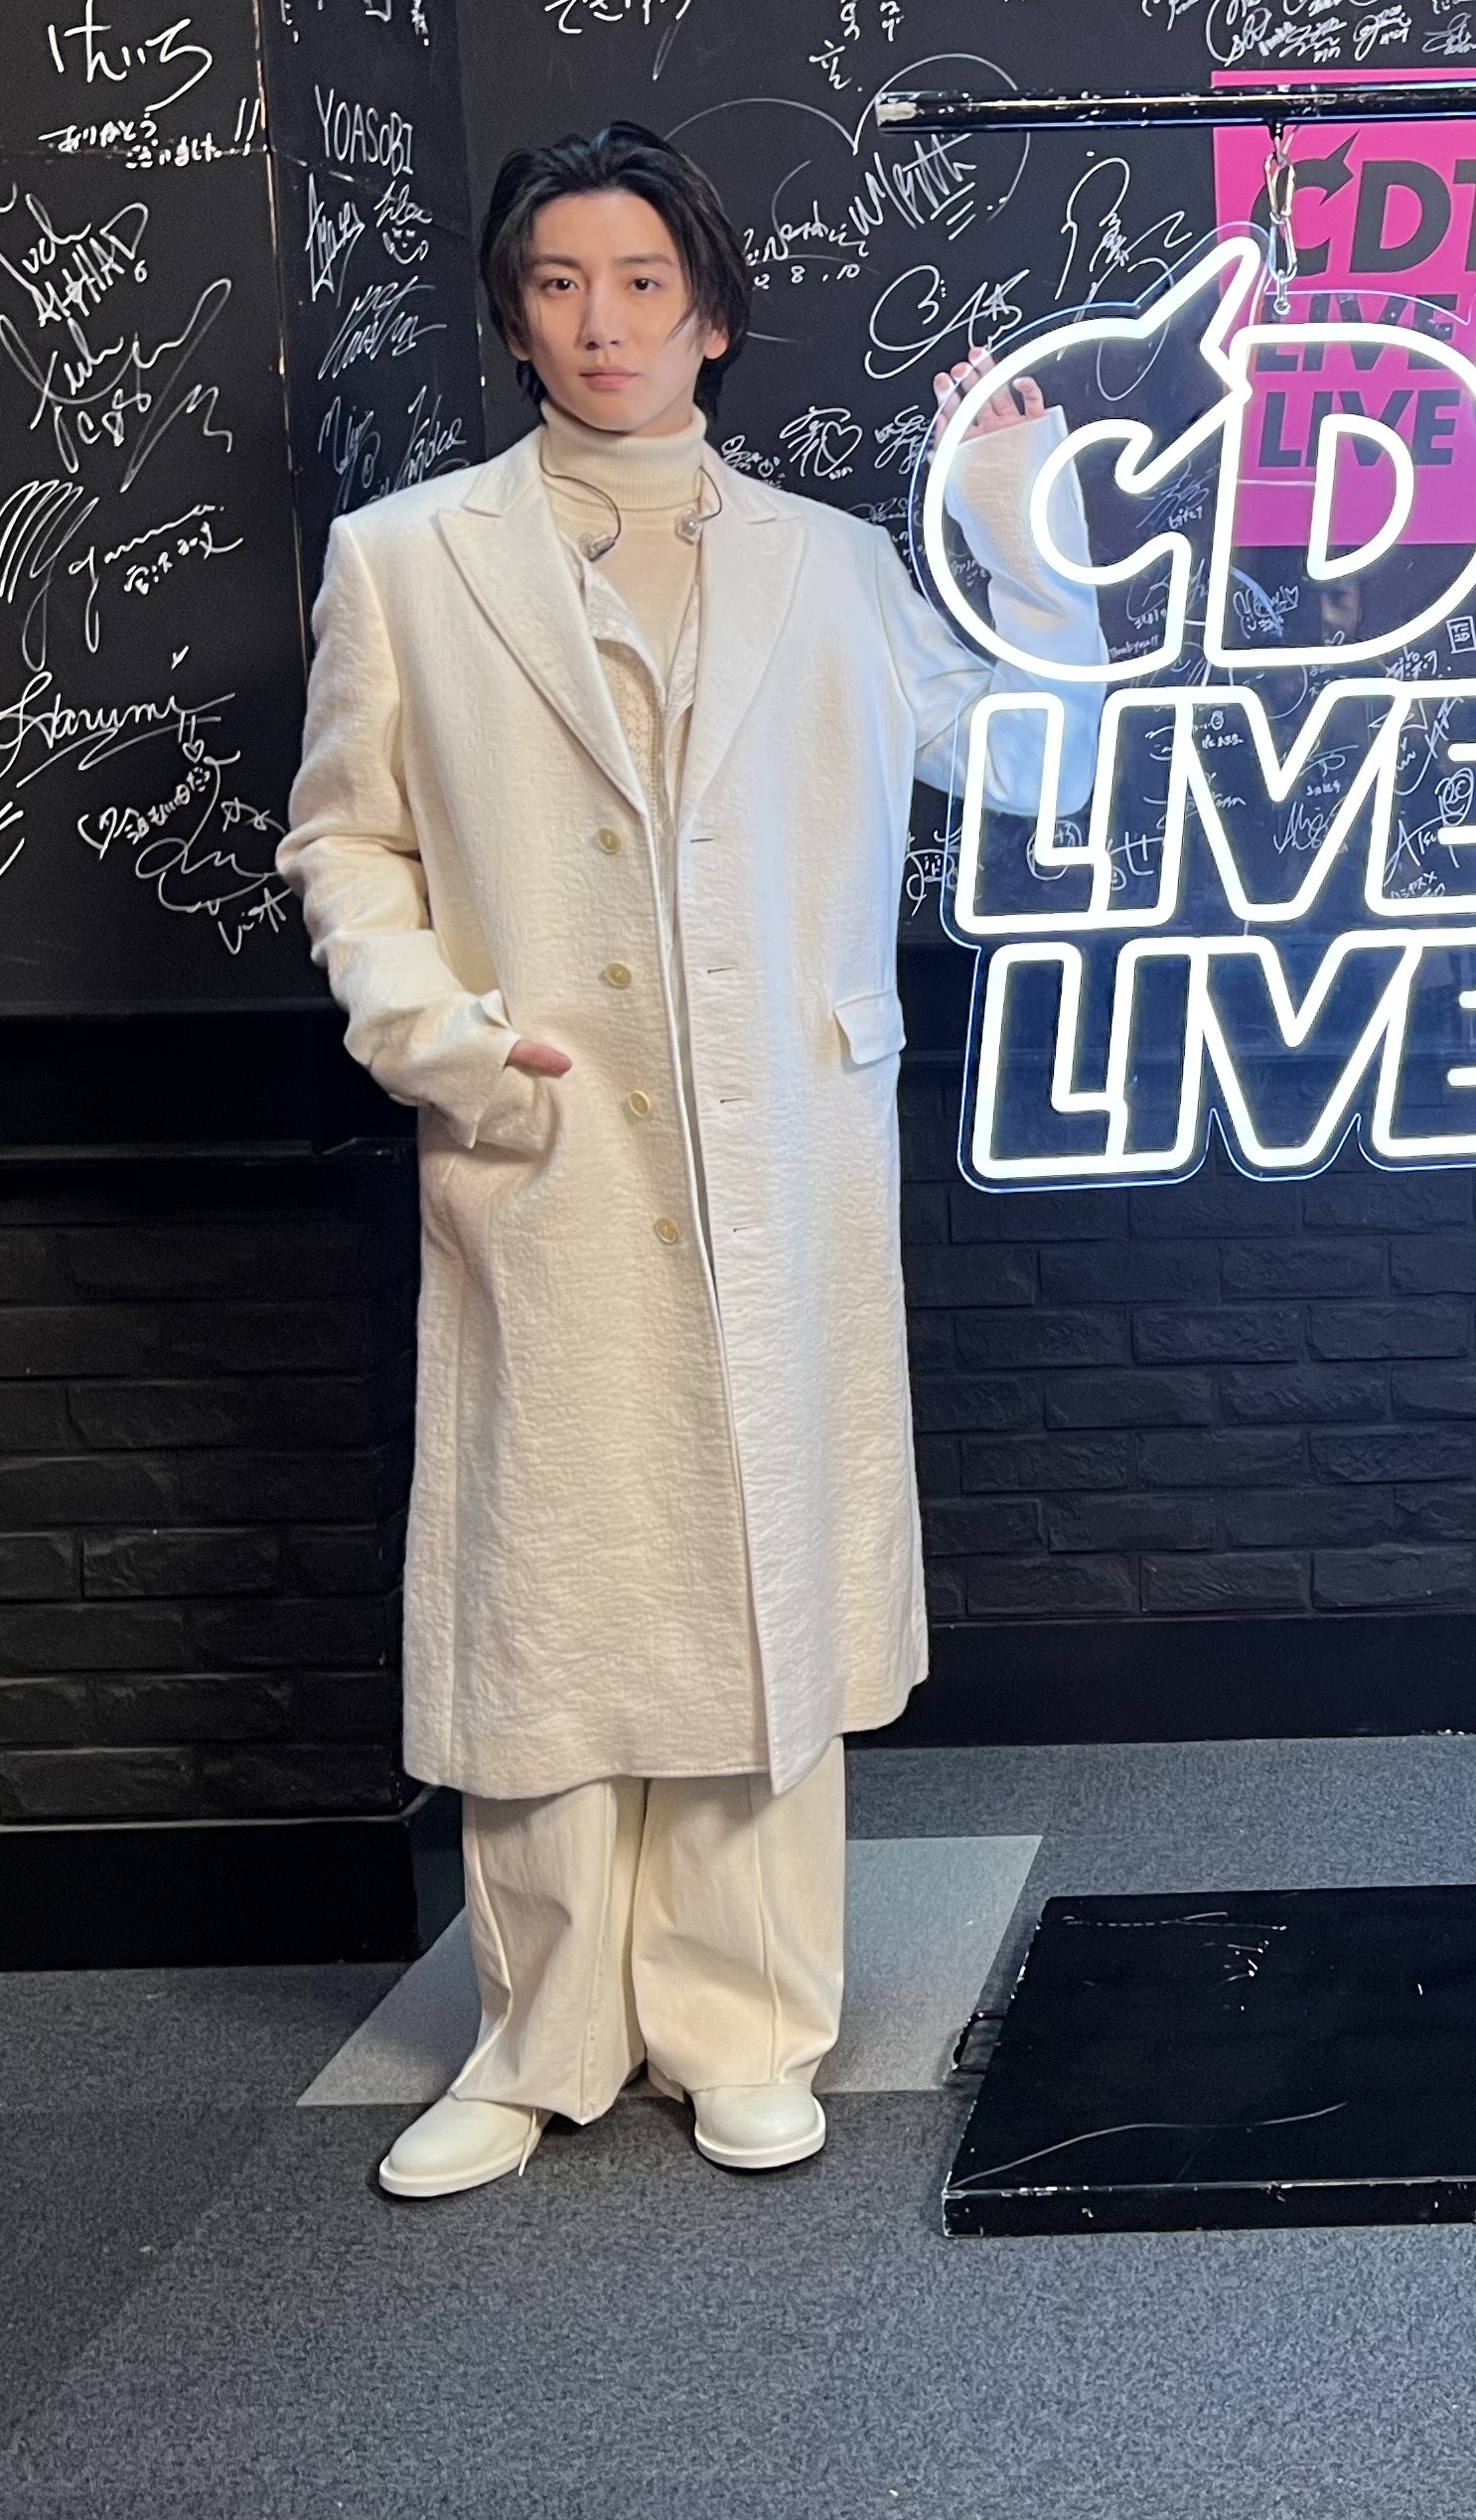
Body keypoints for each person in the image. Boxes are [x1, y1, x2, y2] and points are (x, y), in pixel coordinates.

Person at [280, 123, 1099, 2198]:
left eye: (641, 281)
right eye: (559, 282)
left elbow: (1043, 761)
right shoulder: (407, 557)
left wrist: (1029, 540)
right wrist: (440, 1037)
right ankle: (538, 2037)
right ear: (512, 314)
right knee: (545, 1589)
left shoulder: (830, 562)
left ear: (710, 313)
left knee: (754, 1571)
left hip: (780, 1141)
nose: (603, 322)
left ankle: (746, 2019)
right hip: (540, 1136)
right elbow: (346, 839)